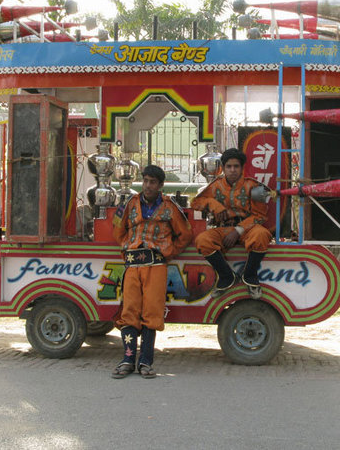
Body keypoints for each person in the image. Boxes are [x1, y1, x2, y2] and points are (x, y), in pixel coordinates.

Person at [111, 165, 192, 379]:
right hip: (132, 265)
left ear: (161, 185)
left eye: (153, 182)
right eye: (145, 180)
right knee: (129, 312)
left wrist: (168, 252)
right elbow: (117, 228)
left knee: (152, 313)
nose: (148, 185)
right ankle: (128, 359)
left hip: (156, 265)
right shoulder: (129, 203)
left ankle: (145, 362)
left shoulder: (170, 207)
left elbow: (185, 234)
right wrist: (127, 246)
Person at [190, 148, 271, 300]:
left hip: (248, 229)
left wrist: (238, 230)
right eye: (229, 166)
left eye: (236, 166)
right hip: (224, 229)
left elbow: (260, 215)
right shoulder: (215, 185)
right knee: (203, 240)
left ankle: (250, 276)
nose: (232, 170)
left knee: (262, 234)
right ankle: (227, 276)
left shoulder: (253, 186)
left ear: (242, 168)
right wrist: (213, 203)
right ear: (223, 167)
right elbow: (196, 202)